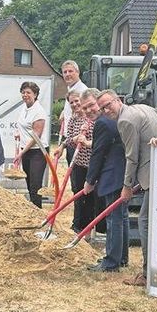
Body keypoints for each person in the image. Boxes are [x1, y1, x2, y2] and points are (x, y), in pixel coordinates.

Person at [97, 89, 157, 287]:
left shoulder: (125, 121)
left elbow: (131, 157)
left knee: (144, 221)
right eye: (102, 108)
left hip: (155, 173)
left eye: (108, 104)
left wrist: (126, 186)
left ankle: (148, 273)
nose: (106, 110)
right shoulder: (142, 107)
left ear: (119, 100)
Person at [82, 89, 128, 272]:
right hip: (121, 172)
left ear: (99, 104)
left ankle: (111, 262)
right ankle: (121, 257)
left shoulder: (103, 122)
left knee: (113, 218)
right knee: (121, 217)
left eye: (92, 105)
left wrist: (90, 181)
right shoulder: (111, 119)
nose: (89, 110)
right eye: (85, 108)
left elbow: (98, 153)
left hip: (113, 174)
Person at [59, 90, 95, 232]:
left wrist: (86, 141)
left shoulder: (92, 118)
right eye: (71, 102)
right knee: (77, 194)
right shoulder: (74, 119)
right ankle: (77, 225)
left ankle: (89, 227)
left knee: (90, 196)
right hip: (78, 163)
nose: (74, 104)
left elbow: (99, 140)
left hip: (92, 164)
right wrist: (75, 139)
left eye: (76, 101)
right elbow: (68, 139)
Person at [15, 81, 49, 207]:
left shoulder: (39, 111)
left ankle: (38, 212)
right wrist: (19, 133)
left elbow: (36, 136)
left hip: (37, 152)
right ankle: (33, 209)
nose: (25, 95)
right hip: (26, 150)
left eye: (28, 92)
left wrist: (21, 153)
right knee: (29, 183)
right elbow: (24, 126)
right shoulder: (25, 108)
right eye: (23, 92)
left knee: (35, 184)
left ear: (35, 94)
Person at [58, 60, 88, 162]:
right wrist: (64, 112)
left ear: (78, 72)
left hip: (79, 141)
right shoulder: (71, 89)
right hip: (70, 139)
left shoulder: (83, 91)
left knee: (76, 175)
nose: (67, 74)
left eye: (70, 71)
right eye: (65, 72)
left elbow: (85, 115)